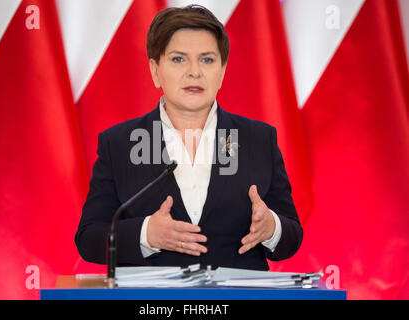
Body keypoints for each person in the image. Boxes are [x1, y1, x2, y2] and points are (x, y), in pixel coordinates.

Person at [75, 5, 303, 271]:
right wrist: (146, 234)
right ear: (155, 70)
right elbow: (89, 238)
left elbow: (292, 236)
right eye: (178, 59)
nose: (194, 71)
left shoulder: (258, 139)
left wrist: (271, 227)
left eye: (207, 59)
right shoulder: (120, 144)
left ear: (222, 71)